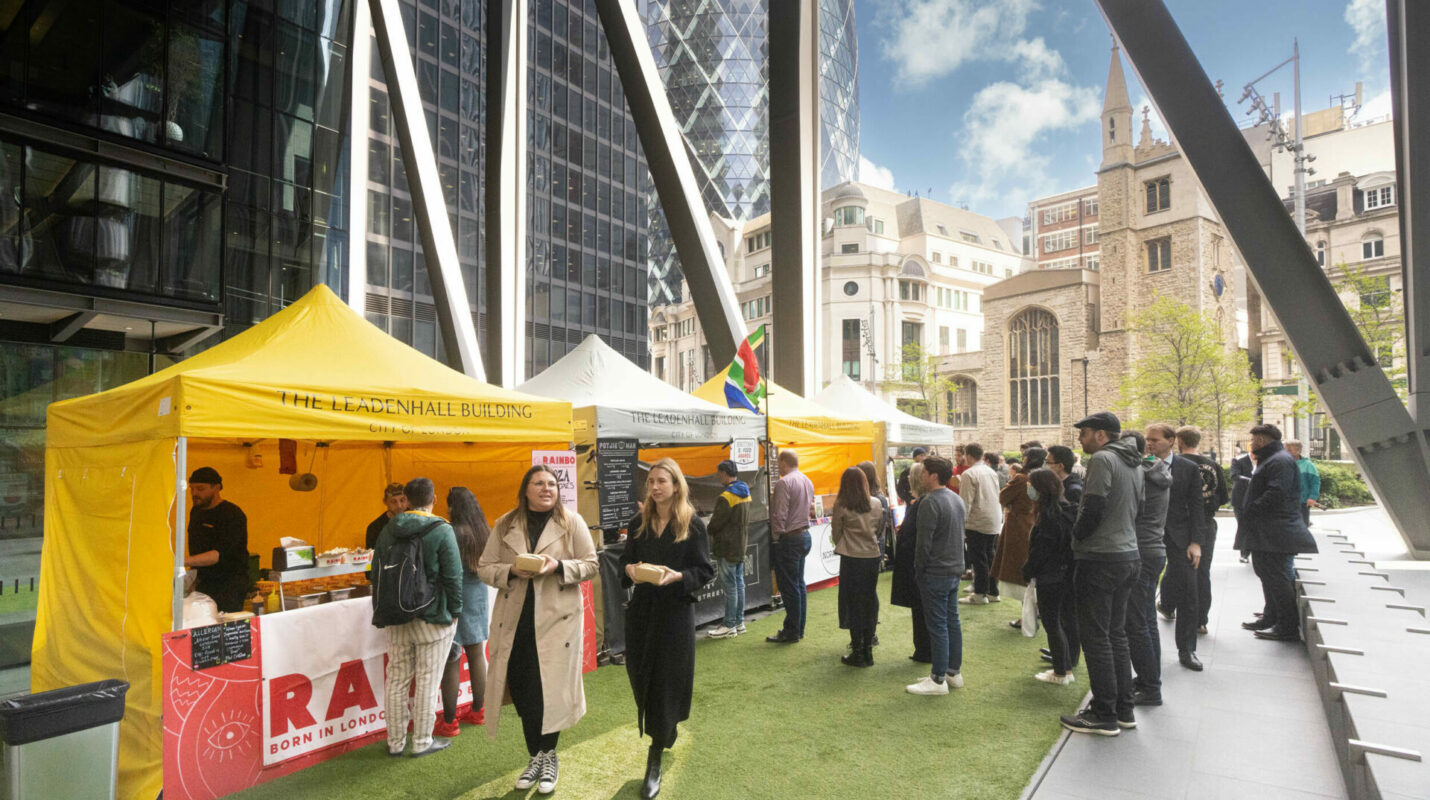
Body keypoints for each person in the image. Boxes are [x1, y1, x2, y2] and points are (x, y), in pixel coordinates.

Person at [477, 465, 599, 794]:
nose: (546, 488)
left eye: (551, 484)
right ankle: (536, 756)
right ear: (525, 489)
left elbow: (591, 563)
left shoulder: (570, 521)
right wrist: (512, 570)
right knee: (525, 692)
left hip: (558, 624)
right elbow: (484, 568)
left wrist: (557, 566)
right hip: (514, 624)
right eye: (538, 483)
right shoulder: (505, 524)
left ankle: (548, 756)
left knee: (551, 693)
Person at [621, 458, 715, 799]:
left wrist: (677, 577)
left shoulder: (692, 524)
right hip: (642, 613)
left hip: (675, 614)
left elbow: (704, 570)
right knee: (641, 675)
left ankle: (655, 756)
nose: (655, 487)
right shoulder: (637, 523)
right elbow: (624, 562)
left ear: (676, 485)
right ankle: (665, 728)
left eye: (662, 481)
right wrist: (631, 570)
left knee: (666, 682)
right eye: (651, 482)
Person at [1060, 412, 1143, 736]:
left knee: (1096, 637)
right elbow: (1142, 508)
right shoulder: (1134, 461)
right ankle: (1123, 709)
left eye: (1085, 433)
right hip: (1127, 555)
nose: (1080, 438)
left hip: (1101, 558)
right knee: (1116, 634)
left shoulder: (1104, 460)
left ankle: (1104, 713)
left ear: (1100, 435)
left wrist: (1077, 536)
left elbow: (1092, 506)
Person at [371, 477, 463, 758]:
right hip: (433, 615)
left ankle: (395, 742)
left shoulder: (388, 529)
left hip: (396, 615)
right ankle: (422, 740)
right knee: (427, 678)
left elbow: (375, 573)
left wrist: (381, 609)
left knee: (396, 678)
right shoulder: (441, 529)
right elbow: (452, 575)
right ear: (433, 499)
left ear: (406, 500)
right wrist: (456, 610)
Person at [1235, 424, 1318, 642]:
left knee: (1277, 577)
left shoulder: (1279, 460)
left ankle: (1287, 626)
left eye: (1253, 440)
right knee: (1267, 574)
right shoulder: (1274, 458)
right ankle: (1271, 617)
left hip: (1276, 531)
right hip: (1269, 530)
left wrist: (1252, 508)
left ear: (1262, 440)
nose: (1251, 444)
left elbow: (1277, 492)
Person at [433, 487, 492, 738]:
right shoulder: (483, 529)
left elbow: (444, 568)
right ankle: (480, 711)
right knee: (478, 653)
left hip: (455, 597)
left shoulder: (452, 531)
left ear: (453, 507)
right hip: (479, 594)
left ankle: (449, 721)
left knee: (451, 658)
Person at [906, 456, 967, 695]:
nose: (921, 476)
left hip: (936, 571)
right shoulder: (955, 498)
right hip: (953, 568)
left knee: (939, 625)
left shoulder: (930, 502)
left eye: (924, 472)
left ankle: (938, 678)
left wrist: (919, 569)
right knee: (951, 622)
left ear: (933, 475)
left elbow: (923, 544)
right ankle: (952, 672)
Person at [1119, 430, 1170, 703]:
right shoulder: (1157, 470)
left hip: (1140, 549)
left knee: (1136, 623)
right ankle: (1150, 679)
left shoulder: (1140, 475)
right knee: (1147, 619)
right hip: (1153, 549)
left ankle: (1150, 687)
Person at [1022, 467, 1078, 685]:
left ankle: (1060, 671)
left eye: (1031, 486)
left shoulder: (1049, 517)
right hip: (1068, 575)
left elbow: (1041, 551)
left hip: (1051, 577)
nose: (1028, 489)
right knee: (1066, 620)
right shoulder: (1068, 510)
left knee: (1052, 623)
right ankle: (1066, 665)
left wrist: (1028, 570)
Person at [1174, 426, 1229, 635]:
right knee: (1203, 571)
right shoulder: (1213, 465)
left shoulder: (1178, 465)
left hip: (1182, 523)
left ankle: (1175, 608)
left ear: (1180, 441)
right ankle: (1200, 620)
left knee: (1180, 569)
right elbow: (1223, 496)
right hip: (1206, 522)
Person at [831, 467, 884, 667]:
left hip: (851, 557)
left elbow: (836, 533)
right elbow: (879, 529)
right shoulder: (877, 503)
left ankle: (858, 651)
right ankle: (868, 650)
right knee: (869, 602)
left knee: (853, 604)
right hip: (871, 557)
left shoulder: (842, 505)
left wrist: (845, 543)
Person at [992, 447, 1046, 627]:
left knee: (1022, 572)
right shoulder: (1045, 477)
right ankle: (1037, 611)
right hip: (1037, 522)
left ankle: (1028, 616)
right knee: (1035, 570)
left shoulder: (1022, 479)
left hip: (1020, 526)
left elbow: (1003, 496)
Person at [184, 467, 250, 613]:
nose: (194, 494)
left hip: (229, 585)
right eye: (192, 489)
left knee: (223, 626)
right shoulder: (196, 512)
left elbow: (218, 555)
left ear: (217, 488)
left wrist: (183, 561)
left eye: (200, 489)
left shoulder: (232, 514)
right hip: (203, 583)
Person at [767, 449, 814, 644]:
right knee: (799, 584)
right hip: (803, 535)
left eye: (779, 463)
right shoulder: (806, 480)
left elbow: (779, 514)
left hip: (789, 538)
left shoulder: (784, 482)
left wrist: (776, 539)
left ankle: (792, 630)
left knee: (789, 587)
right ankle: (798, 628)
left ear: (784, 463)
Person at [890, 463, 931, 663]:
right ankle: (923, 649)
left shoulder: (921, 505)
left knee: (922, 611)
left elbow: (917, 539)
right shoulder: (921, 503)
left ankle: (925, 651)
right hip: (922, 567)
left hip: (920, 569)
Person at [706, 461, 751, 639]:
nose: (719, 477)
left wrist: (709, 527)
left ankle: (729, 624)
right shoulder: (745, 491)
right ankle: (739, 622)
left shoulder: (726, 496)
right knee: (739, 583)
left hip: (727, 547)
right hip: (740, 544)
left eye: (719, 474)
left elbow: (716, 523)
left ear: (724, 473)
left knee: (730, 586)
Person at [958, 443, 1003, 605]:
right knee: (989, 556)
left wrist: (961, 525)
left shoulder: (969, 474)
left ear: (968, 455)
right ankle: (992, 591)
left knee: (979, 559)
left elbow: (965, 502)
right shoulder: (990, 471)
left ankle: (980, 593)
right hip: (993, 519)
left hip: (978, 521)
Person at [858, 460, 895, 570]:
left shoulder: (879, 499)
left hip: (873, 546)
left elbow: (880, 526)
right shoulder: (874, 497)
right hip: (866, 546)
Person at [1286, 440, 1321, 527]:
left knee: (1302, 526)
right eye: (1285, 450)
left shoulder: (1308, 465)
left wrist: (1312, 497)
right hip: (1286, 502)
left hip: (1302, 502)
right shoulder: (1283, 463)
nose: (1286, 452)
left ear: (1298, 451)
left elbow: (1315, 482)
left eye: (1289, 450)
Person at [365, 482, 408, 551]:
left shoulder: (417, 519)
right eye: (393, 502)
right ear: (385, 502)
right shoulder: (374, 528)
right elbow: (371, 558)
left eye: (402, 500)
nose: (399, 506)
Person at [1229, 450, 1255, 562]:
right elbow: (1234, 476)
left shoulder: (1265, 460)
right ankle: (1244, 553)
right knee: (1243, 524)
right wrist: (1250, 480)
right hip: (1241, 498)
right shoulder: (1239, 460)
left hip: (1256, 498)